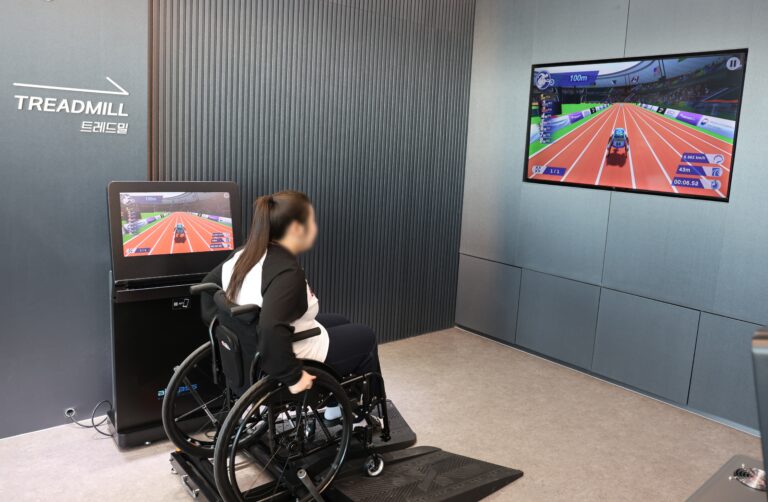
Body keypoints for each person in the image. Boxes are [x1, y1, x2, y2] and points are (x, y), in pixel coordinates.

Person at [201, 190, 381, 421]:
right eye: (312, 221)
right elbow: (271, 327)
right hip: (284, 351)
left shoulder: (245, 254)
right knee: (365, 337)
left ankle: (335, 403)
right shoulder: (286, 272)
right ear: (297, 228)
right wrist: (293, 376)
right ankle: (365, 409)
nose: (315, 227)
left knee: (341, 321)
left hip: (251, 350)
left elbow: (208, 286)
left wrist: (230, 327)